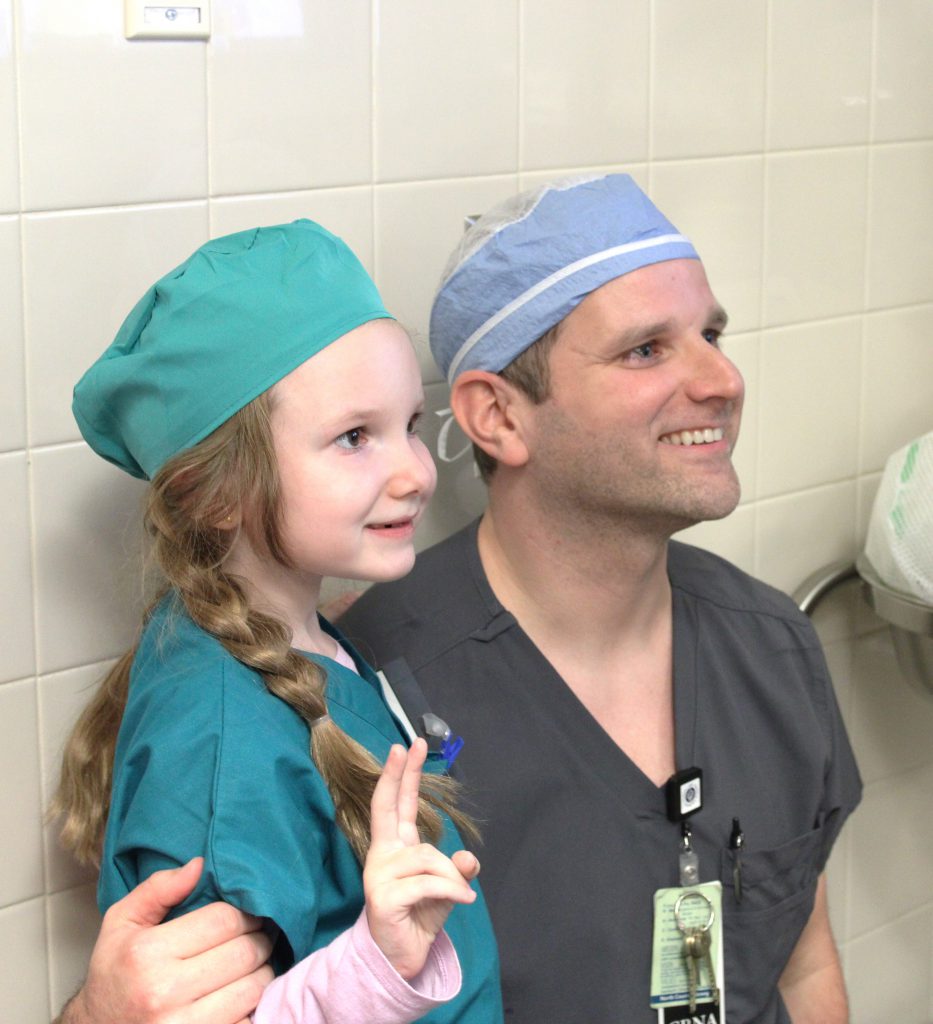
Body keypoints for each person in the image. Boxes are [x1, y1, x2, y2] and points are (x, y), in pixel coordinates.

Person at [58, 175, 861, 1024]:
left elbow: (803, 970)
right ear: (496, 418)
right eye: (644, 349)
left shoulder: (769, 646)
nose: (723, 379)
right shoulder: (371, 690)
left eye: (711, 333)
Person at [52, 220, 502, 1024]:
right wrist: (382, 962)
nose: (414, 471)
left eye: (409, 424)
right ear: (215, 494)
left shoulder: (306, 638)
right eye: (355, 437)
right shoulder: (223, 744)